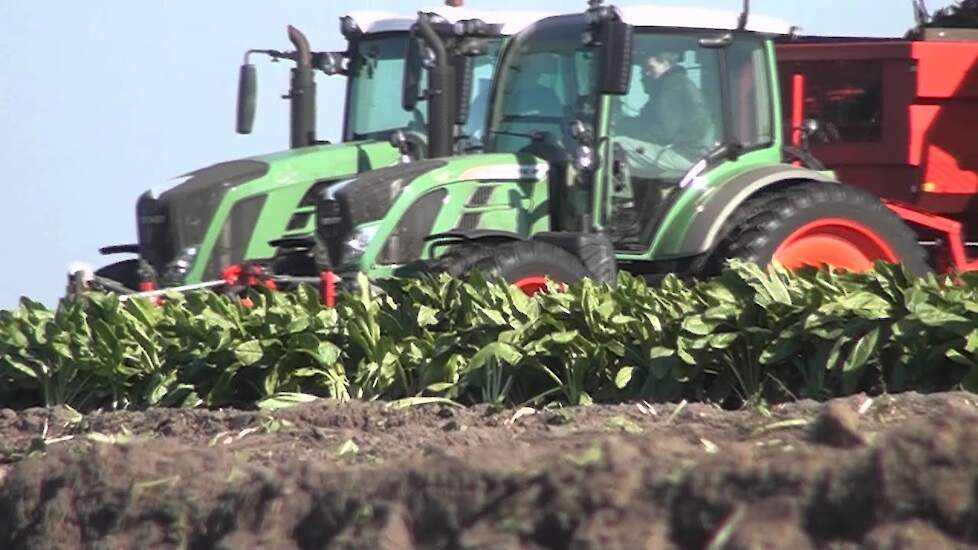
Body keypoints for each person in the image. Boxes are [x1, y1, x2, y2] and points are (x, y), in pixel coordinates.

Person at [616, 50, 713, 177]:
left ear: (666, 64)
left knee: (613, 146)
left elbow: (664, 132)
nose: (647, 74)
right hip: (690, 152)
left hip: (684, 153)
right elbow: (649, 122)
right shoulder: (677, 83)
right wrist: (623, 124)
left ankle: (617, 194)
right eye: (644, 70)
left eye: (651, 68)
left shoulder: (672, 86)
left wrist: (625, 130)